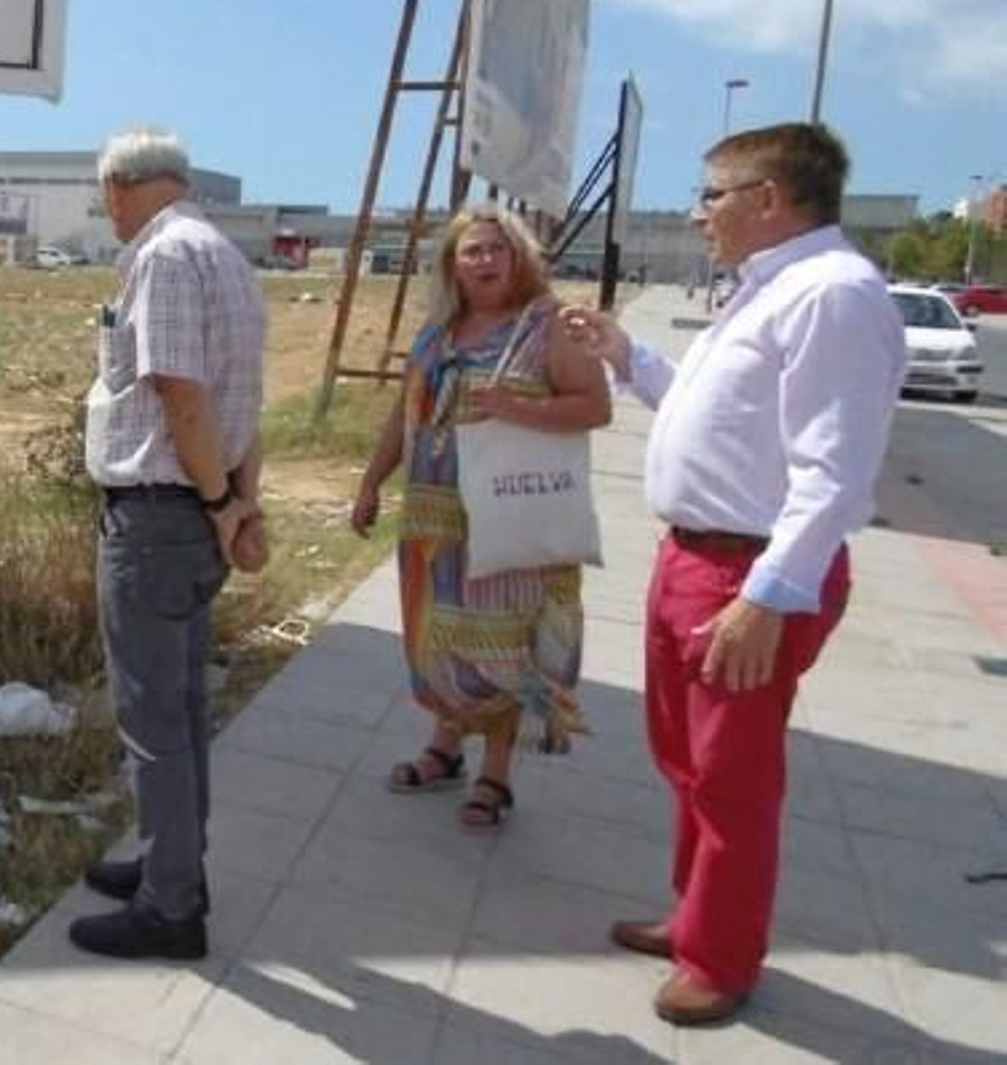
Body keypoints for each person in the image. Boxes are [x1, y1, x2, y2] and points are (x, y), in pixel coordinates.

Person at [563, 122, 905, 1025]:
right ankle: (695, 914)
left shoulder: (832, 295)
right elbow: (715, 413)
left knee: (733, 777)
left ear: (769, 199)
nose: (697, 212)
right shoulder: (766, 289)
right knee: (686, 761)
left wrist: (765, 599)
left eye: (712, 194)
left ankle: (720, 957)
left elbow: (833, 473)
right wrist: (627, 356)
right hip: (696, 558)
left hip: (748, 577)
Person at [70, 128, 265, 961]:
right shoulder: (228, 256)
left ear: (123, 187)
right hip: (194, 514)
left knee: (154, 718)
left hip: (159, 515)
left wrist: (222, 502)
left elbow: (182, 395)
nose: (105, 210)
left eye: (103, 195)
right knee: (181, 709)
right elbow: (243, 398)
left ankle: (172, 906)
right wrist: (240, 503)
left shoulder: (164, 257)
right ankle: (172, 863)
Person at [351, 205, 610, 831]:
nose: (486, 260)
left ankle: (496, 774)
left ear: (519, 256)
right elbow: (402, 415)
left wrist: (515, 410)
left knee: (500, 647)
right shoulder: (437, 332)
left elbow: (595, 406)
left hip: (510, 520)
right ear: (452, 266)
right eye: (472, 251)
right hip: (433, 523)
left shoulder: (547, 325)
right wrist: (370, 483)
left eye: (497, 248)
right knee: (440, 639)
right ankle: (445, 748)